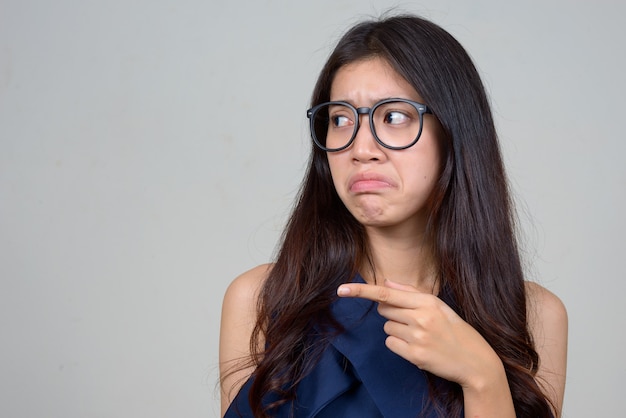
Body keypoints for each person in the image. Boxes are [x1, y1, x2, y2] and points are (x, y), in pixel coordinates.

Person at [219, 13, 567, 418]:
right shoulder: (261, 299)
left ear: (454, 132)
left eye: (394, 117)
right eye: (340, 119)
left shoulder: (535, 315)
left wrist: (482, 376)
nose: (361, 148)